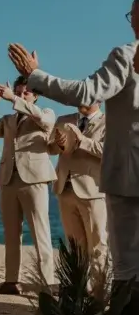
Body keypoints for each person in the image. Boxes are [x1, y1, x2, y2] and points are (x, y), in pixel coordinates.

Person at [6, 0, 139, 315]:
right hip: (92, 182)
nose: (132, 24)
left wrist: (35, 75)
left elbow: (86, 92)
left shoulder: (127, 55)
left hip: (127, 176)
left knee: (125, 263)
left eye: (132, 16)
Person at [0, 76, 56, 295]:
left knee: (40, 232)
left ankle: (47, 283)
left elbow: (44, 121)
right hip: (8, 179)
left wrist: (14, 99)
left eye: (26, 93)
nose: (21, 96)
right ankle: (11, 281)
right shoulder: (8, 119)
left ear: (36, 96)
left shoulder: (46, 113)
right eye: (18, 92)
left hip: (34, 180)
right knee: (11, 233)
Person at [47, 103, 107, 277]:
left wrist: (82, 140)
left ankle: (98, 290)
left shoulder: (109, 122)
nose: (81, 101)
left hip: (93, 191)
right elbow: (50, 148)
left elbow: (111, 152)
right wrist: (58, 144)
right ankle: (77, 288)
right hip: (64, 188)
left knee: (97, 244)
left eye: (86, 97)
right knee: (74, 245)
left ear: (99, 100)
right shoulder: (63, 120)